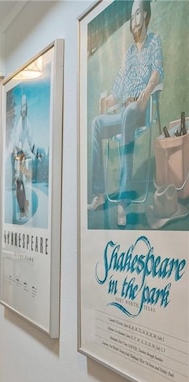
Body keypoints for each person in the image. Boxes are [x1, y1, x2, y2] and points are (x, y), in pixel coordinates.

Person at [87, 0, 163, 226]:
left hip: (142, 107)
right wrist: (105, 102)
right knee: (97, 123)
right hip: (126, 111)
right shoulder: (128, 53)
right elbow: (118, 90)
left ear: (146, 16)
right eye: (132, 16)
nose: (134, 20)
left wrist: (147, 91)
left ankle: (122, 201)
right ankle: (100, 195)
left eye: (138, 14)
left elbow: (158, 70)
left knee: (130, 110)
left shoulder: (154, 41)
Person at [10, 94, 39, 220]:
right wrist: (19, 150)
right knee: (18, 182)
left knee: (22, 183)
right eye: (22, 108)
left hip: (22, 155)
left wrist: (35, 152)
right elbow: (15, 141)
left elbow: (31, 139)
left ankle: (24, 208)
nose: (23, 111)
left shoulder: (27, 123)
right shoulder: (18, 125)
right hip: (16, 154)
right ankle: (21, 209)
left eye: (25, 108)